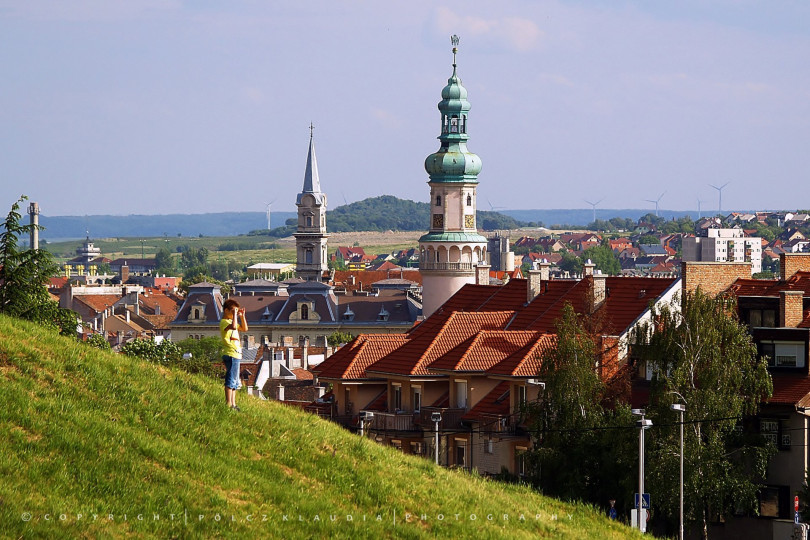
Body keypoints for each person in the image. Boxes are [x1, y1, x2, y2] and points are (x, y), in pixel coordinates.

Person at [221, 299, 248, 411]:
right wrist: (236, 315)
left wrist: (242, 316)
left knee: (235, 381)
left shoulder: (233, 322)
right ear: (226, 310)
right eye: (232, 311)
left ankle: (233, 403)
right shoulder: (224, 322)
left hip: (236, 354)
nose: (233, 314)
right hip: (230, 353)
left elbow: (245, 329)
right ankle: (228, 404)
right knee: (231, 380)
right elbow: (232, 327)